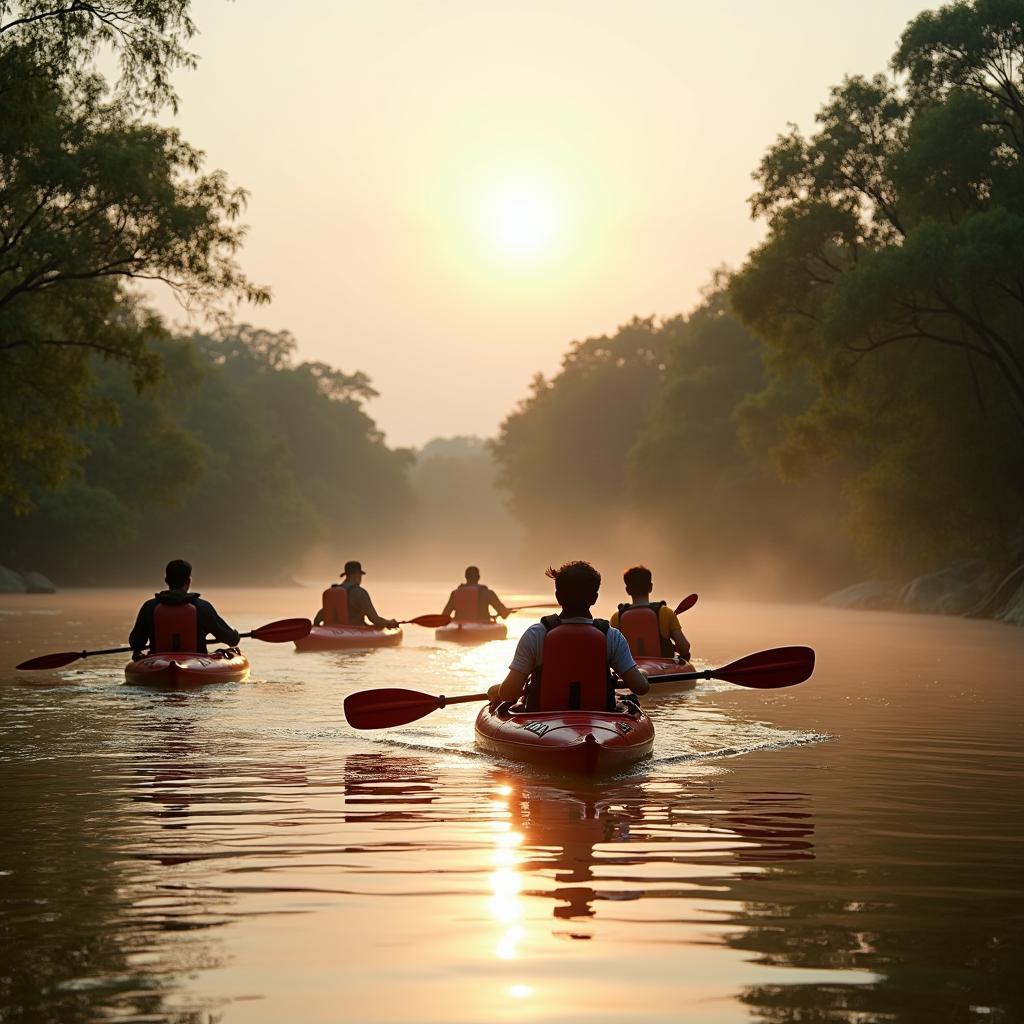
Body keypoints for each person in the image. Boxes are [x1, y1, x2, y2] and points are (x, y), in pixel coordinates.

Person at [489, 560, 650, 709]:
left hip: (542, 720)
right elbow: (640, 688)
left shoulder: (536, 634)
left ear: (558, 596)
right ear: (595, 599)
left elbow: (508, 693)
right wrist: (642, 674)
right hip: (599, 722)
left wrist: (501, 690)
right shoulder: (612, 636)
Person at [129, 559, 240, 658]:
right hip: (196, 663)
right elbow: (231, 639)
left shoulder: (149, 607)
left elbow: (136, 643)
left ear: (166, 581)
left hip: (158, 661)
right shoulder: (203, 607)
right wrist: (235, 635)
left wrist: (138, 653)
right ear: (188, 581)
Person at [609, 565, 691, 661]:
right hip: (662, 669)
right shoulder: (665, 613)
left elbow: (611, 651)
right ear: (651, 587)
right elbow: (684, 647)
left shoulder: (617, 617)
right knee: (686, 656)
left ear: (627, 590)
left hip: (629, 670)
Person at [314, 560, 399, 629]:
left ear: (346, 575)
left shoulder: (333, 591)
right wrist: (389, 623)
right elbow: (374, 619)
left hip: (332, 632)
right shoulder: (360, 593)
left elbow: (318, 618)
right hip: (355, 631)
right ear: (357, 575)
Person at [440, 566, 511, 622]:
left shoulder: (455, 593)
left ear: (465, 577)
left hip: (459, 626)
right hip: (482, 626)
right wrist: (506, 611)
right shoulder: (488, 593)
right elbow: (504, 614)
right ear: (478, 577)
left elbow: (444, 616)